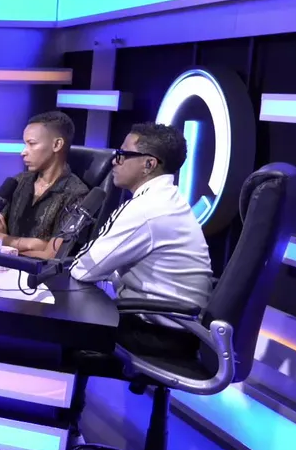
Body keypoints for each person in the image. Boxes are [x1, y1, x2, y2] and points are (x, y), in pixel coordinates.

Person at [70, 122, 213, 358]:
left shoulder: (147, 209)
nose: (115, 161)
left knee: (58, 327)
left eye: (123, 154)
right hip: (179, 330)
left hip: (159, 335)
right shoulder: (166, 199)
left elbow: (83, 270)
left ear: (149, 164)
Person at [0, 111, 90, 258]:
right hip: (1, 266)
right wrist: (34, 244)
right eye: (25, 144)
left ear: (57, 144)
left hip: (40, 273)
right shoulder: (17, 182)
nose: (23, 152)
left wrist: (5, 241)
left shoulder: (77, 194)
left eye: (32, 144)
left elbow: (52, 255)